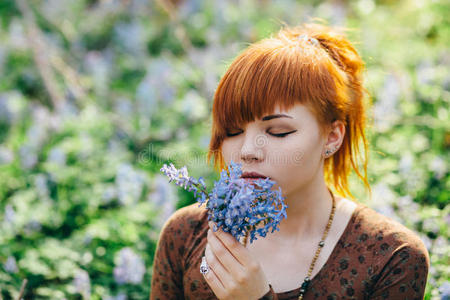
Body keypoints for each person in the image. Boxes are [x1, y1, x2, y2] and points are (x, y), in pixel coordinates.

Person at [150, 22, 430, 300]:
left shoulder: (390, 256)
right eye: (233, 132)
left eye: (277, 132)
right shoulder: (186, 233)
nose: (248, 150)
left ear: (332, 137)